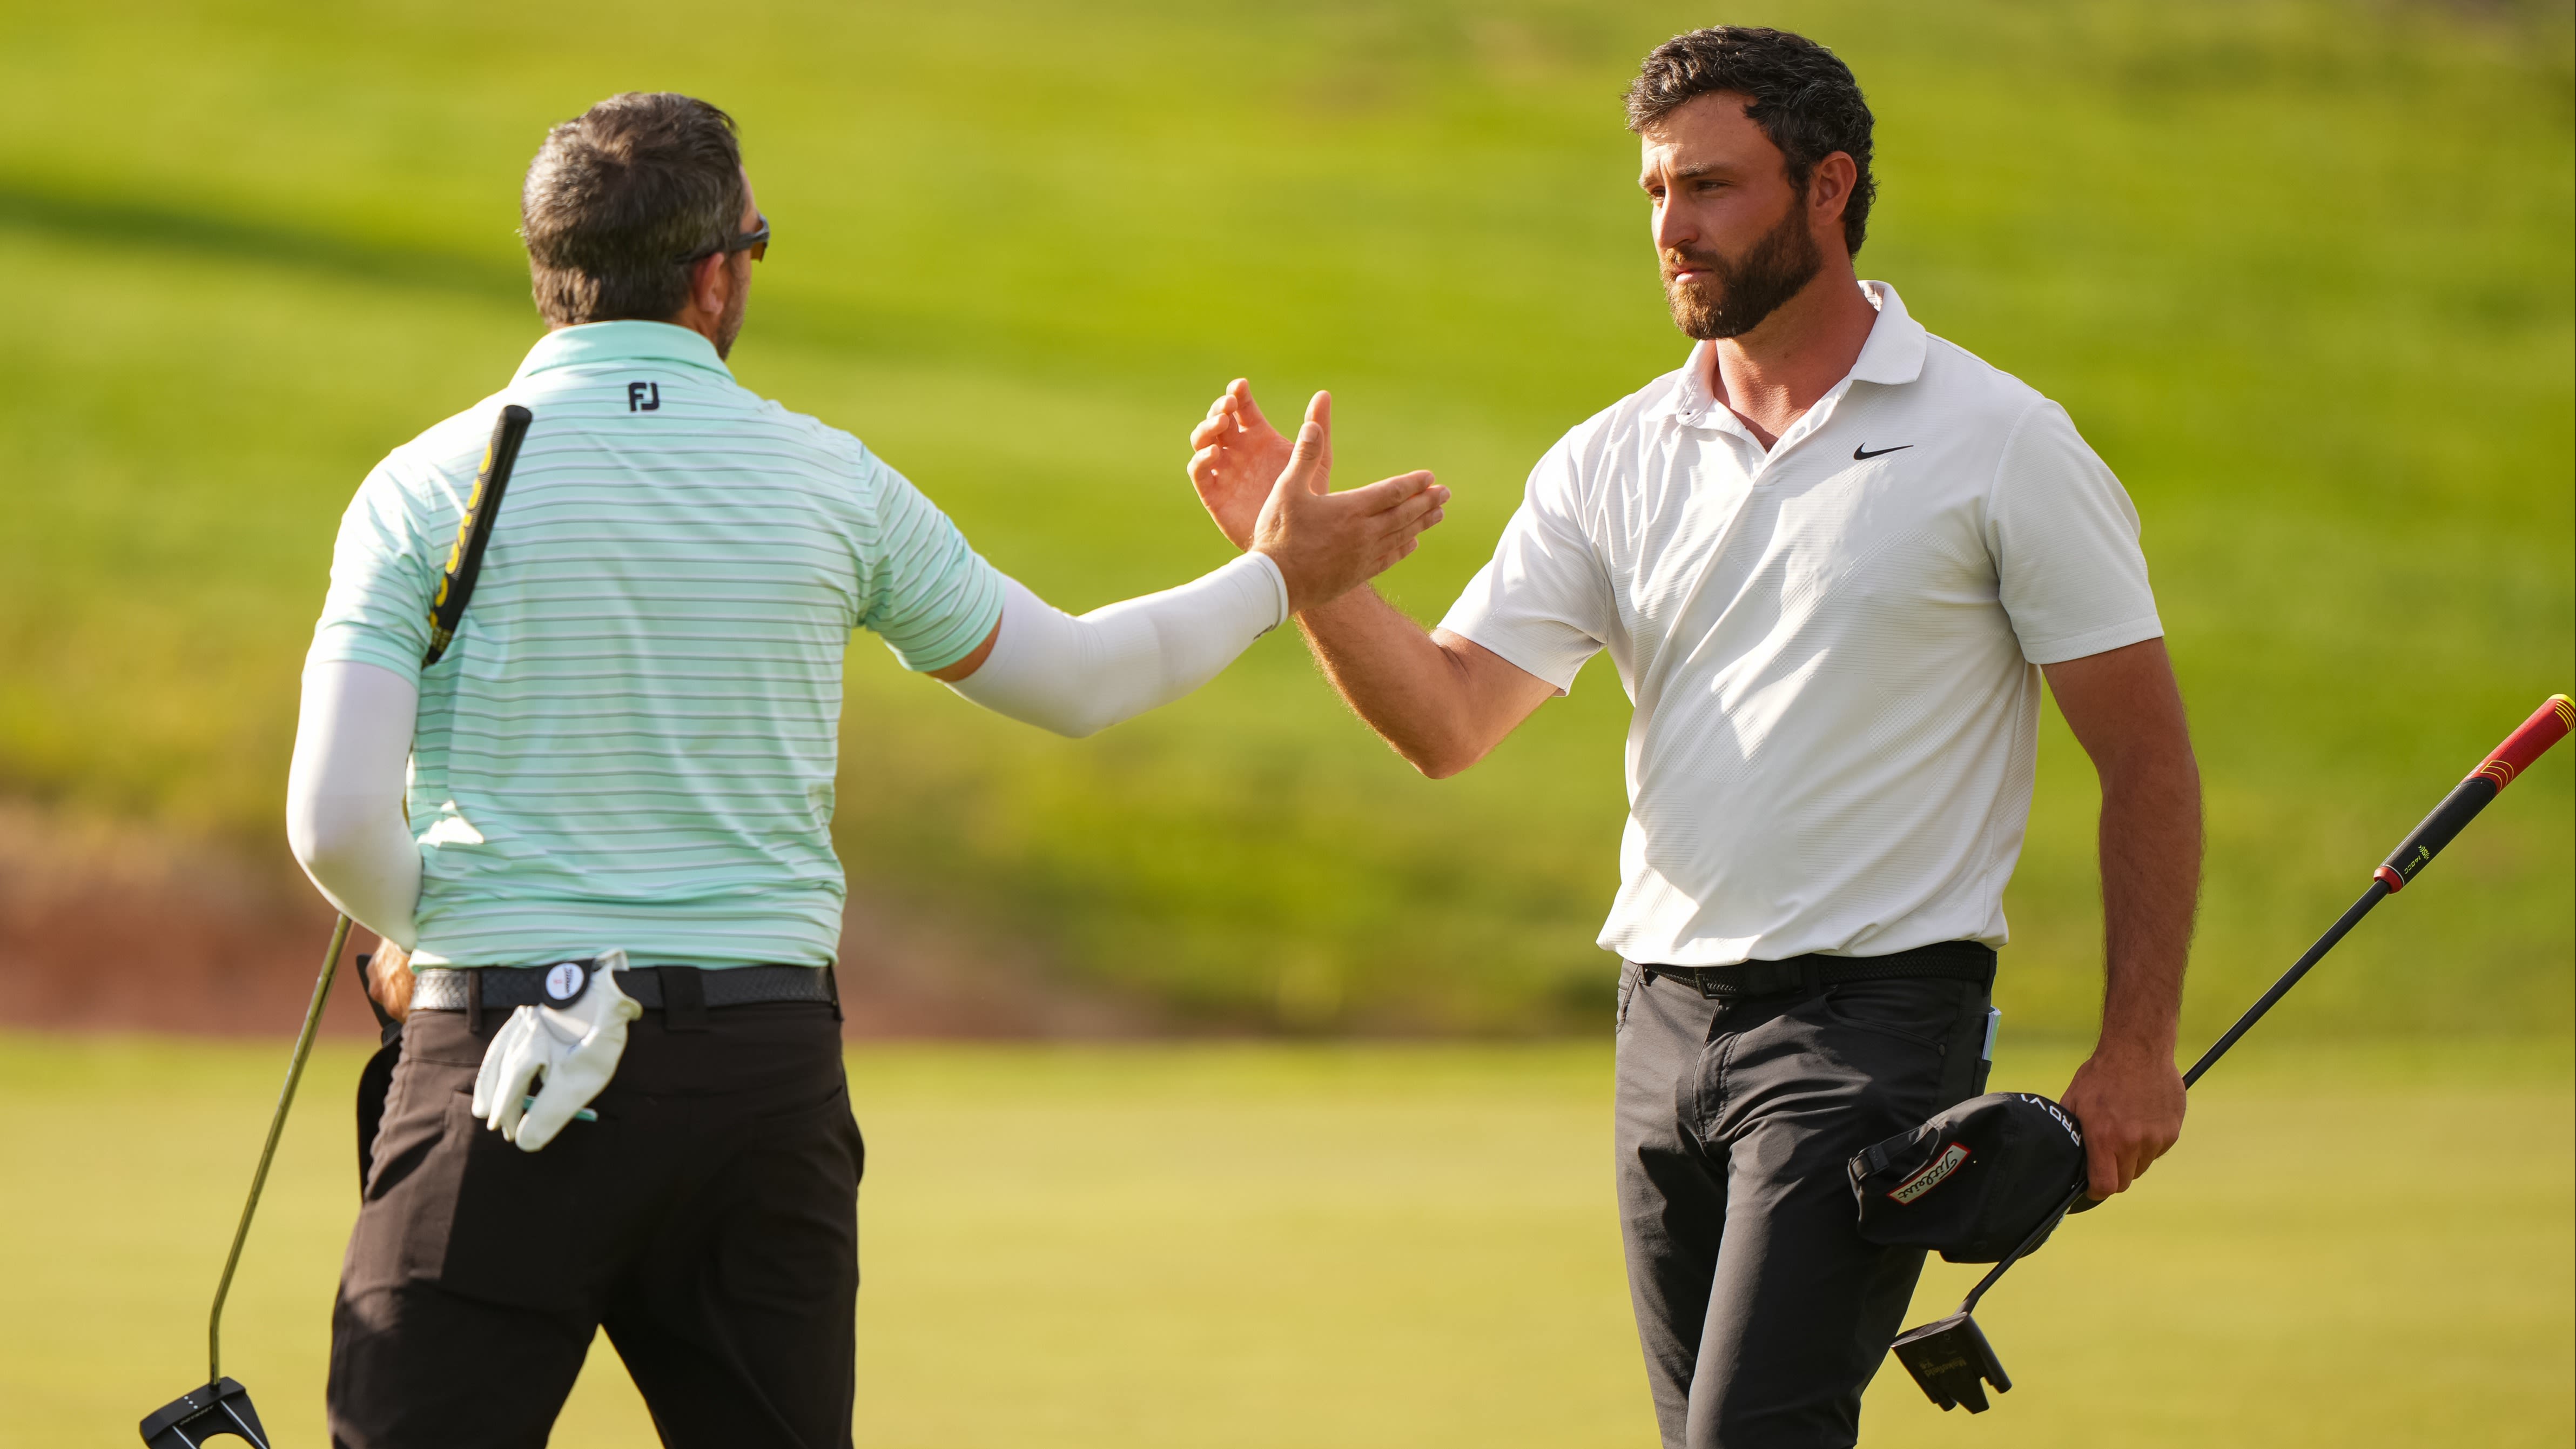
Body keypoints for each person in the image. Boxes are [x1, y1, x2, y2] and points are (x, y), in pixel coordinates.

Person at [285, 91, 1443, 1448]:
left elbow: (337, 824)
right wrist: (1276, 580)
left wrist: (444, 933)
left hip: (503, 1060)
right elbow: (1079, 681)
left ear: (553, 273)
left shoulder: (425, 487)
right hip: (760, 1084)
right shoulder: (830, 481)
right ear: (719, 274)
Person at [1186, 26, 2200, 1449]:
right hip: (1661, 1025)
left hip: (1871, 1027)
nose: (1672, 228)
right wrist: (1306, 579)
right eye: (1656, 193)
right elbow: (1451, 720)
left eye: (1711, 187)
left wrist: (2136, 1043)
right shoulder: (1609, 458)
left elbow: (2146, 757)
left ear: (1827, 188)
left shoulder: (2000, 442)